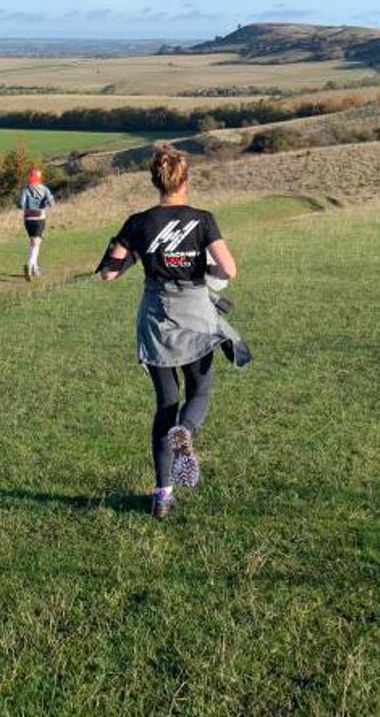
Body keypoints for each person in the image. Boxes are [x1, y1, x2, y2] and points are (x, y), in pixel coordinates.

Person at [98, 147, 249, 520]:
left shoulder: (138, 223)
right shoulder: (203, 220)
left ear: (156, 181)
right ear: (186, 180)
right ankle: (186, 430)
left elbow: (109, 273)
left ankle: (162, 496)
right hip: (196, 316)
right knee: (200, 392)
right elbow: (229, 269)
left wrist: (127, 249)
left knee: (165, 404)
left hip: (156, 320)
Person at [17, 167, 55, 280]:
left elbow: (21, 205)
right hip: (39, 218)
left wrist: (29, 205)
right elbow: (52, 204)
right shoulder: (45, 189)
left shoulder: (25, 190)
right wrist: (44, 203)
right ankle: (29, 266)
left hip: (28, 219)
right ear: (39, 178)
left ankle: (35, 268)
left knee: (34, 243)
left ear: (30, 178)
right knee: (36, 243)